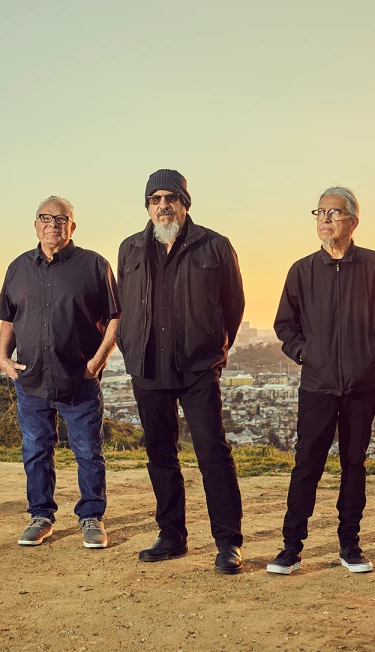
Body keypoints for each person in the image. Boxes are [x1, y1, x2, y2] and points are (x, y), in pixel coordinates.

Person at [267, 187, 375, 576]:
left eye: (334, 212)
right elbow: (285, 324)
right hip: (316, 384)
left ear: (353, 222)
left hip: (362, 385)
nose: (325, 219)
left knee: (353, 463)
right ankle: (291, 548)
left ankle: (350, 546)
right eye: (320, 212)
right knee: (306, 465)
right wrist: (304, 354)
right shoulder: (301, 270)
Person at [117, 169, 246, 574]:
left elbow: (233, 306)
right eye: (154, 199)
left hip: (196, 369)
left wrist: (215, 351)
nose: (162, 205)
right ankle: (171, 535)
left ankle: (227, 543)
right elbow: (122, 307)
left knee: (212, 454)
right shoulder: (130, 249)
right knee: (160, 455)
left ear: (185, 203)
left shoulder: (216, 246)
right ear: (148, 206)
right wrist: (130, 350)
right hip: (148, 370)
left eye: (170, 197)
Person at [0, 196, 121, 549]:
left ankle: (91, 517)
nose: (53, 223)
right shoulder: (18, 267)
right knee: (35, 450)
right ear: (35, 224)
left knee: (88, 450)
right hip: (31, 379)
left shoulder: (94, 265)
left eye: (61, 218)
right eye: (45, 218)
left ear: (72, 226)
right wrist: (3, 356)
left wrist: (97, 361)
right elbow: (9, 316)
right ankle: (41, 516)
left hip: (78, 380)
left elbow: (116, 316)